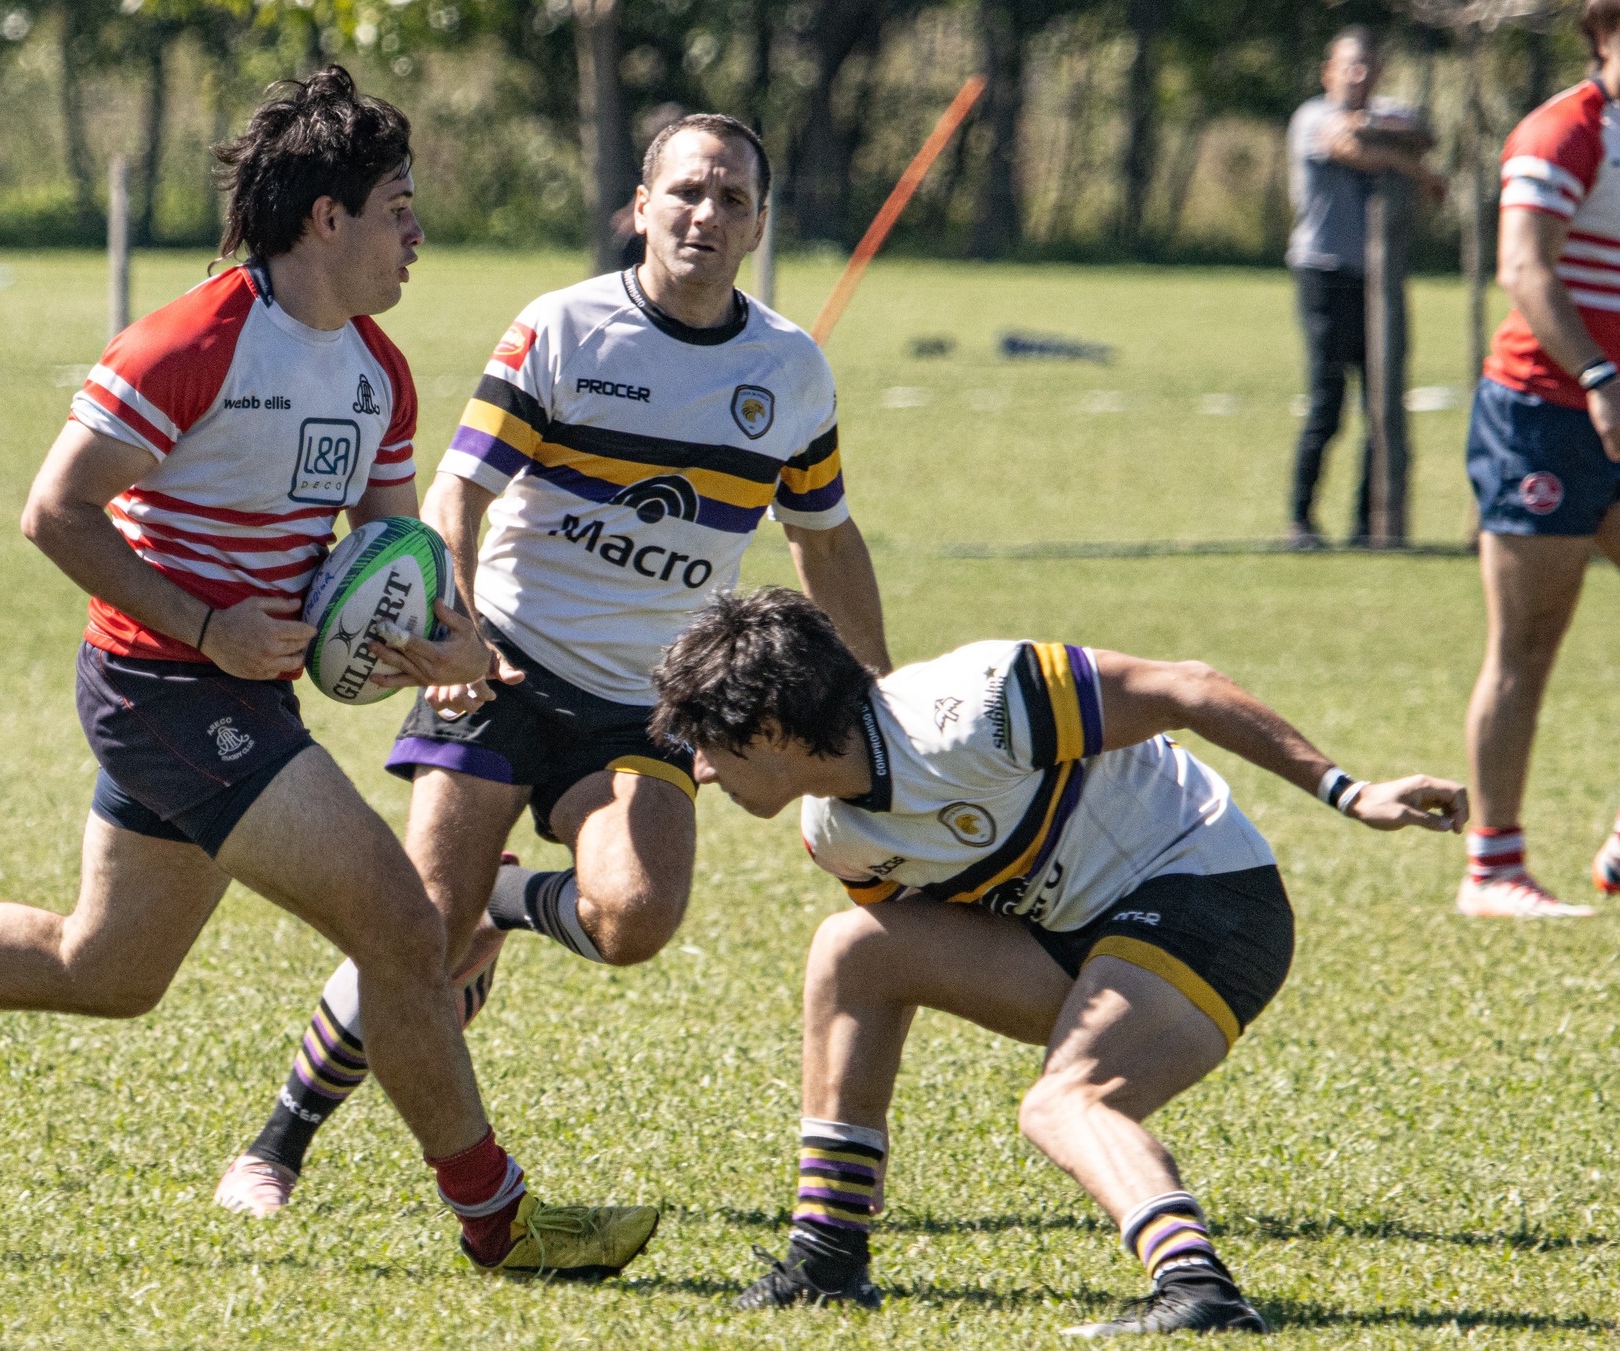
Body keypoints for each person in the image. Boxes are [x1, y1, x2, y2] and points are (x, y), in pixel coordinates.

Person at [0, 67, 659, 1279]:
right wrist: (206, 625)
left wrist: (450, 644)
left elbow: (392, 555)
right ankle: (499, 1218)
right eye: (398, 208)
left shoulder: (381, 374)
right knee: (403, 926)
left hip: (238, 695)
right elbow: (55, 513)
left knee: (105, 971)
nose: (417, 234)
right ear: (327, 218)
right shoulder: (191, 341)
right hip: (160, 689)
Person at [215, 113, 892, 1217]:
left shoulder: (789, 371)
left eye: (729, 200)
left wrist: (876, 692)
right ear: (639, 206)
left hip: (649, 703)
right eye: (684, 192)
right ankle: (276, 1142)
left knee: (633, 919)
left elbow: (825, 538)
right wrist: (459, 631)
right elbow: (458, 493)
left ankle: (506, 900)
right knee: (418, 940)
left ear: (760, 224)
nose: (703, 215)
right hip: (503, 669)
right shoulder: (563, 329)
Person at [650, 588, 1466, 1334]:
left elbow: (1187, 685)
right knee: (854, 949)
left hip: (1213, 898)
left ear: (771, 729)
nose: (702, 766)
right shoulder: (838, 835)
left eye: (707, 740)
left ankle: (1198, 1290)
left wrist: (1350, 792)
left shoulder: (972, 705)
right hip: (1084, 937)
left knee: (1064, 1101)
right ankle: (826, 1256)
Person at [1458, 0, 1620, 920]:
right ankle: (1493, 868)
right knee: (1528, 643)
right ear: (1603, 31)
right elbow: (1525, 268)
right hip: (1545, 412)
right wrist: (1598, 374)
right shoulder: (1566, 129)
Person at [1285, 26, 1445, 549]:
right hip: (1324, 275)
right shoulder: (1311, 117)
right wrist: (1408, 165)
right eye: (1349, 64)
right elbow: (1346, 145)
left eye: (1369, 65)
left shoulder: (1387, 112)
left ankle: (1368, 524)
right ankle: (1300, 521)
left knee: (1382, 407)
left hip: (1378, 283)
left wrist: (1401, 146)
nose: (1359, 75)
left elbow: (1423, 133)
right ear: (1328, 70)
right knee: (1327, 403)